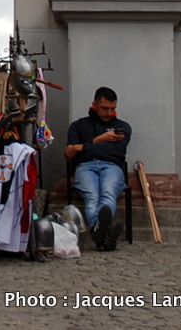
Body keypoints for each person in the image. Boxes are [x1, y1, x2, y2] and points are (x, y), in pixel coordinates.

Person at [64, 86, 131, 252]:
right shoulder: (78, 126)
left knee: (108, 192)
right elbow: (69, 153)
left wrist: (82, 147)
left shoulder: (122, 127)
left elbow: (117, 151)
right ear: (94, 105)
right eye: (105, 108)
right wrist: (98, 141)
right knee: (92, 195)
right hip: (85, 167)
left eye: (113, 109)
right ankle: (104, 234)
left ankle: (97, 231)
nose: (109, 113)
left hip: (112, 166)